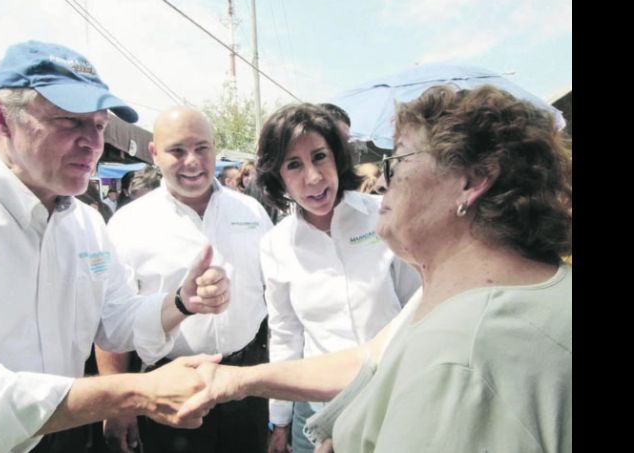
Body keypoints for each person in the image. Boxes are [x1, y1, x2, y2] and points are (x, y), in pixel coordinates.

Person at [181, 84, 572, 453]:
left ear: (470, 182)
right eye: (293, 165)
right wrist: (242, 384)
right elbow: (375, 354)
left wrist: (355, 433)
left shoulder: (460, 355)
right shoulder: (468, 301)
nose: (383, 181)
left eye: (397, 161)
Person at [0, 41, 232, 453]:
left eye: (100, 125)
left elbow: (115, 318)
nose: (93, 143)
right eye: (70, 123)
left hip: (68, 433)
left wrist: (179, 302)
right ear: (0, 119)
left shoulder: (85, 223)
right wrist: (133, 394)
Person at [100, 106, 273, 453]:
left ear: (214, 147)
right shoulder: (128, 224)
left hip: (247, 385)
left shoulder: (251, 212)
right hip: (171, 390)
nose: (192, 161)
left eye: (201, 148)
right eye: (177, 150)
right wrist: (118, 404)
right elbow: (110, 320)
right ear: (154, 154)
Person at [252, 103, 420, 453]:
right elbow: (285, 334)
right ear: (277, 176)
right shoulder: (275, 244)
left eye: (319, 157)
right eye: (293, 164)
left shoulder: (382, 215)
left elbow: (415, 304)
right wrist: (279, 420)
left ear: (337, 158)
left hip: (394, 395)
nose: (313, 177)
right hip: (318, 408)